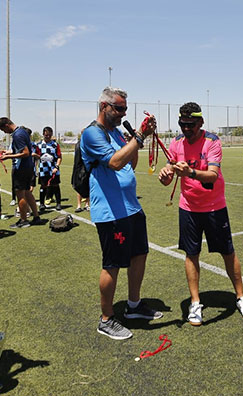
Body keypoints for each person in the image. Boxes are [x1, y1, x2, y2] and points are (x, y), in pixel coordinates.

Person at [158, 102, 243, 326]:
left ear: (201, 122)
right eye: (182, 124)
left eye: (191, 124)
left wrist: (190, 172)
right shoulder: (176, 143)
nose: (186, 128)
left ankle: (241, 297)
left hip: (214, 207)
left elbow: (212, 175)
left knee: (227, 252)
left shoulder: (212, 142)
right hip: (188, 208)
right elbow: (169, 175)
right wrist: (166, 175)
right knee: (191, 254)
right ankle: (195, 302)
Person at [82, 87, 162, 340]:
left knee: (139, 254)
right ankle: (106, 319)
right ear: (104, 107)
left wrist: (135, 140)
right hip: (111, 212)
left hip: (131, 207)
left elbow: (130, 163)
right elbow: (115, 162)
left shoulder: (116, 132)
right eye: (119, 108)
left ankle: (134, 306)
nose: (123, 113)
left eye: (125, 109)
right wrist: (139, 136)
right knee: (113, 264)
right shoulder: (92, 133)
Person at [0, 117, 41, 227]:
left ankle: (23, 220)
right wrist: (9, 152)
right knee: (27, 192)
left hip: (22, 168)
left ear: (7, 125)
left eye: (3, 130)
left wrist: (9, 157)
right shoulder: (22, 131)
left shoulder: (18, 135)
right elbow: (22, 150)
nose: (4, 132)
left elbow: (26, 153)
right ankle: (36, 217)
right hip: (28, 167)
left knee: (20, 194)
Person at [37, 127, 62, 211]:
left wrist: (56, 166)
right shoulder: (39, 145)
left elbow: (59, 157)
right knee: (43, 186)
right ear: (43, 134)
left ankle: (58, 203)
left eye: (49, 135)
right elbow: (36, 157)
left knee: (55, 185)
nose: (47, 136)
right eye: (46, 135)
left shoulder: (55, 145)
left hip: (53, 169)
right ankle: (41, 204)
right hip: (43, 169)